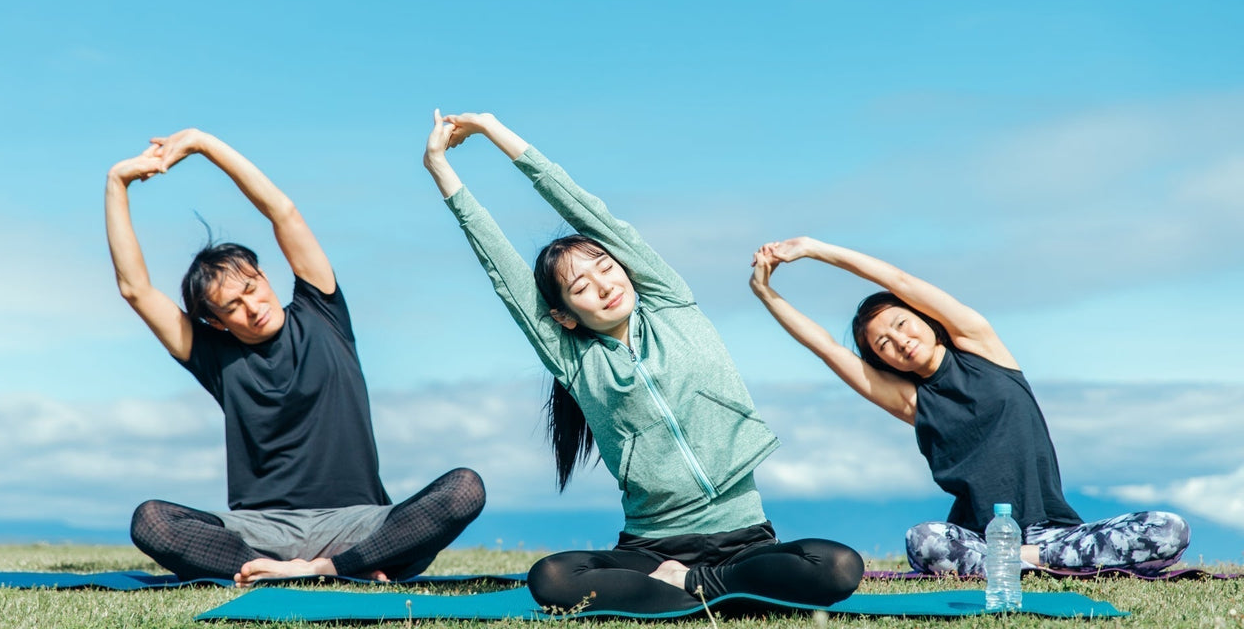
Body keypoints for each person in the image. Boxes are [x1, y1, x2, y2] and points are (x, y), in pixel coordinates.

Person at [423, 111, 863, 613]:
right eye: (581, 287)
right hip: (649, 549)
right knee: (550, 577)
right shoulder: (574, 360)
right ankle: (704, 589)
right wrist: (440, 167)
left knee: (837, 566)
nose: (605, 284)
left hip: (744, 540)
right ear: (564, 316)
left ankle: (695, 584)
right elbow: (499, 266)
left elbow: (586, 209)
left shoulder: (671, 302)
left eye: (606, 268)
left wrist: (489, 128)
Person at [105, 128, 485, 586]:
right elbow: (135, 290)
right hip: (262, 531)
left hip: (358, 523)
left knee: (464, 488)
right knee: (150, 521)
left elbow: (280, 210)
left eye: (251, 288)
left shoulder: (321, 310)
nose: (253, 306)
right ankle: (302, 568)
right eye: (232, 307)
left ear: (265, 276)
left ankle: (324, 569)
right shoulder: (214, 356)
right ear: (217, 322)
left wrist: (203, 143)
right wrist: (117, 183)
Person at [749, 236, 1191, 576]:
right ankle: (1050, 564)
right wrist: (767, 294)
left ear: (924, 317)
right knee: (923, 541)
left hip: (1055, 532)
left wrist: (812, 248)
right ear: (880, 360)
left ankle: (1027, 560)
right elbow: (828, 349)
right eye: (883, 344)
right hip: (979, 537)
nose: (900, 341)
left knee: (1169, 529)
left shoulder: (981, 346)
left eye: (902, 324)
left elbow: (898, 282)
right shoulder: (912, 401)